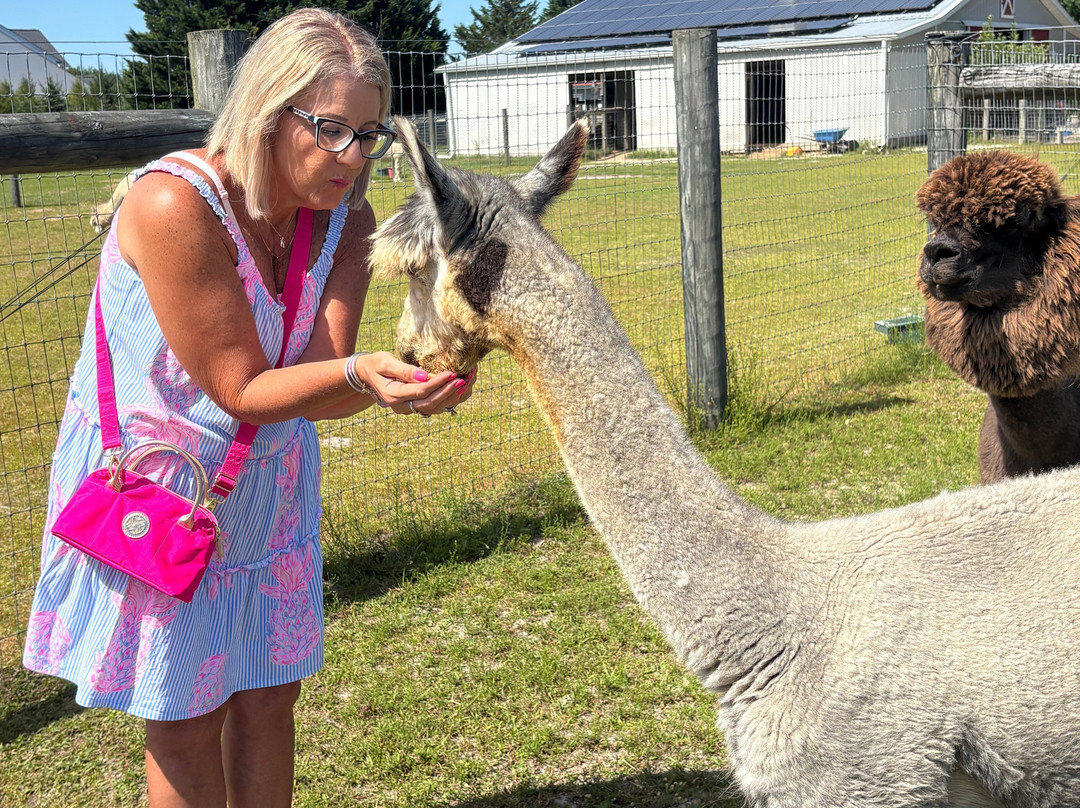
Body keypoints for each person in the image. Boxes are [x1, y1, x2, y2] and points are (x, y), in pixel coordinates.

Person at [22, 9, 474, 807]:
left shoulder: (346, 218)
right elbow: (242, 388)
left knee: (270, 698)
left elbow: (312, 384)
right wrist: (362, 376)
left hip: (267, 491)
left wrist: (390, 383)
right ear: (267, 111)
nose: (351, 157)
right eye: (331, 129)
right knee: (186, 718)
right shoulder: (174, 207)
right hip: (168, 487)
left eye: (368, 135)